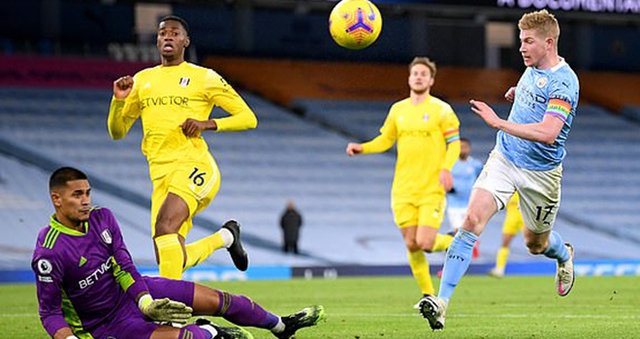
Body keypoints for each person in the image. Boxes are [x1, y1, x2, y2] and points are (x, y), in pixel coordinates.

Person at [421, 10, 579, 331]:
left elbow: (549, 132)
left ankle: (563, 255)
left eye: (528, 41)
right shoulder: (531, 68)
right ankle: (442, 303)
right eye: (521, 40)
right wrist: (517, 95)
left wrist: (498, 121)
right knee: (470, 221)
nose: (521, 47)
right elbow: (534, 96)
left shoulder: (565, 81)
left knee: (535, 244)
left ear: (549, 43)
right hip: (504, 159)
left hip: (541, 173)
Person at [33, 167, 324, 339]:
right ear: (56, 199)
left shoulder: (102, 217)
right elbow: (50, 313)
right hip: (104, 324)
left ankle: (282, 326)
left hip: (135, 293)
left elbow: (123, 265)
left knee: (220, 300)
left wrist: (146, 302)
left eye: (87, 193)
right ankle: (211, 332)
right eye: (77, 195)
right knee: (189, 337)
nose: (85, 201)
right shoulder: (50, 252)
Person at [108, 15, 257, 279]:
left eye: (175, 33)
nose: (168, 36)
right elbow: (117, 133)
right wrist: (118, 101)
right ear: (157, 40)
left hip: (194, 165)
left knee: (165, 226)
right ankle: (226, 238)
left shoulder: (204, 77)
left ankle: (174, 316)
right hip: (160, 174)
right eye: (163, 32)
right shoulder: (142, 80)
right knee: (168, 257)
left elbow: (248, 118)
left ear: (185, 41)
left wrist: (207, 123)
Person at [346, 57, 461, 307]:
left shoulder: (442, 110)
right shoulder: (398, 110)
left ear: (431, 80)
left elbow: (454, 144)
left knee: (426, 243)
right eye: (415, 73)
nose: (418, 77)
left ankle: (455, 241)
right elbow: (385, 140)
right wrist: (362, 148)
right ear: (409, 78)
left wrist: (445, 168)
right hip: (402, 189)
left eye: (423, 74)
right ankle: (428, 295)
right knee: (411, 243)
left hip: (431, 188)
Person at [445, 137, 483, 259]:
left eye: (465, 147)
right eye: (460, 147)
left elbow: (483, 178)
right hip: (454, 204)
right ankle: (460, 255)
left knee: (467, 231)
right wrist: (448, 187)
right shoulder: (450, 164)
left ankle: (462, 254)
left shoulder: (475, 165)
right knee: (458, 231)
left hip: (471, 203)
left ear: (469, 148)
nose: (463, 150)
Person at [489, 192, 525, 278]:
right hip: (511, 218)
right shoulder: (509, 186)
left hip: (525, 217)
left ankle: (556, 263)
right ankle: (499, 269)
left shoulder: (526, 183)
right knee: (505, 243)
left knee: (536, 243)